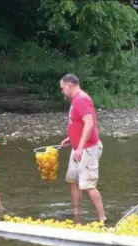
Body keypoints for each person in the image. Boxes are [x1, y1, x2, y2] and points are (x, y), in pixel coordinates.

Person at [59, 73, 107, 222]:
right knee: (73, 181)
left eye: (62, 88)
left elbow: (89, 124)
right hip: (78, 146)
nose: (62, 91)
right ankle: (77, 214)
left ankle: (102, 218)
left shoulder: (81, 100)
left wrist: (79, 147)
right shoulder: (75, 100)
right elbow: (78, 123)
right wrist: (71, 138)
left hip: (88, 148)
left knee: (88, 185)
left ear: (69, 85)